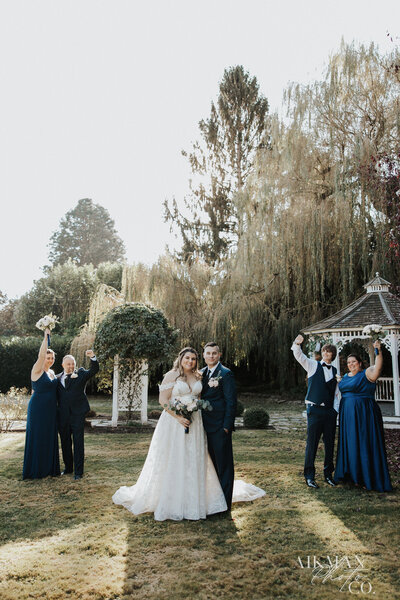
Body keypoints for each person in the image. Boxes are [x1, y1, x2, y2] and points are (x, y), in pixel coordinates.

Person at [112, 347, 265, 521]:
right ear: (181, 358)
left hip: (196, 423)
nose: (190, 361)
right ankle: (173, 498)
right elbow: (163, 400)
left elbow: (201, 398)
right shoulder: (171, 375)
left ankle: (194, 498)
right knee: (175, 458)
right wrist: (178, 417)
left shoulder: (199, 375)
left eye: (193, 359)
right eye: (187, 358)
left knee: (194, 459)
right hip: (174, 423)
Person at [334, 341, 393, 492]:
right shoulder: (343, 377)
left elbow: (378, 366)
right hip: (347, 415)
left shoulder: (367, 373)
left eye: (354, 362)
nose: (351, 364)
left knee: (366, 442)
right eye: (348, 362)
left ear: (360, 363)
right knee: (351, 443)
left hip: (364, 414)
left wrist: (378, 350)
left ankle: (367, 477)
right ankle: (352, 476)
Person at [292, 334, 339, 489]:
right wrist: (297, 344)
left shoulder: (335, 371)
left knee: (330, 444)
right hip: (315, 411)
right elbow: (299, 356)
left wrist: (335, 411)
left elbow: (337, 394)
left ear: (333, 355)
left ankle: (328, 475)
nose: (326, 353)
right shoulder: (312, 365)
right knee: (311, 444)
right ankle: (309, 477)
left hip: (329, 413)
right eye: (324, 351)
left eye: (329, 351)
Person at [201, 341, 237, 510]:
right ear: (204, 355)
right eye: (208, 353)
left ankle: (225, 504)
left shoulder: (226, 374)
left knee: (224, 466)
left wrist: (227, 426)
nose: (211, 356)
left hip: (220, 427)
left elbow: (231, 402)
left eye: (214, 353)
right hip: (202, 426)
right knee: (211, 465)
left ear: (219, 355)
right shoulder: (200, 373)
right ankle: (214, 502)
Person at [23, 328, 60, 479]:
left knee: (49, 436)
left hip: (50, 410)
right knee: (38, 436)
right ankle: (37, 469)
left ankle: (49, 469)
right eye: (48, 357)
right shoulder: (37, 370)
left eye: (52, 358)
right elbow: (40, 355)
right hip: (38, 409)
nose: (50, 360)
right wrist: (46, 336)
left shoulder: (52, 373)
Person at [56, 350, 99, 480]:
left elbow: (94, 370)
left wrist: (92, 357)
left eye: (72, 364)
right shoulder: (56, 378)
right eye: (68, 364)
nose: (70, 366)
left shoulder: (80, 374)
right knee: (65, 442)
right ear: (63, 365)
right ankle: (68, 468)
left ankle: (78, 472)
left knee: (78, 442)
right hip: (63, 415)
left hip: (77, 414)